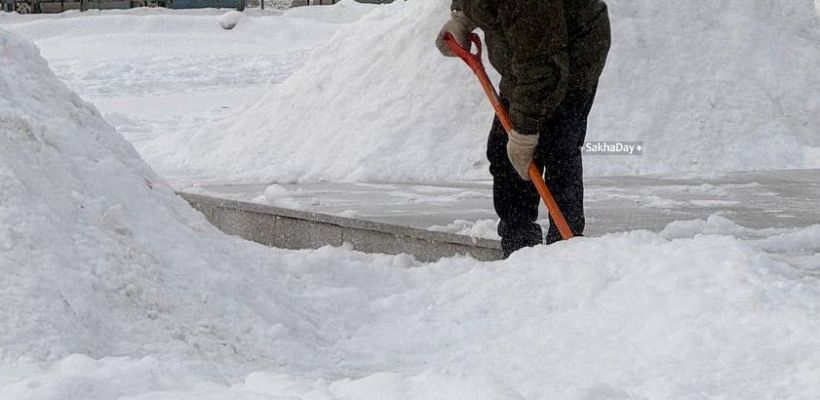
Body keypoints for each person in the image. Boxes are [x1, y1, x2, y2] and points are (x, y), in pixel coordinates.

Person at [436, 0, 611, 258]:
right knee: (504, 152)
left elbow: (542, 66)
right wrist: (463, 13)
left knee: (557, 148)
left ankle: (567, 250)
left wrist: (525, 131)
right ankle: (519, 247)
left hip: (571, 58)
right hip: (528, 54)